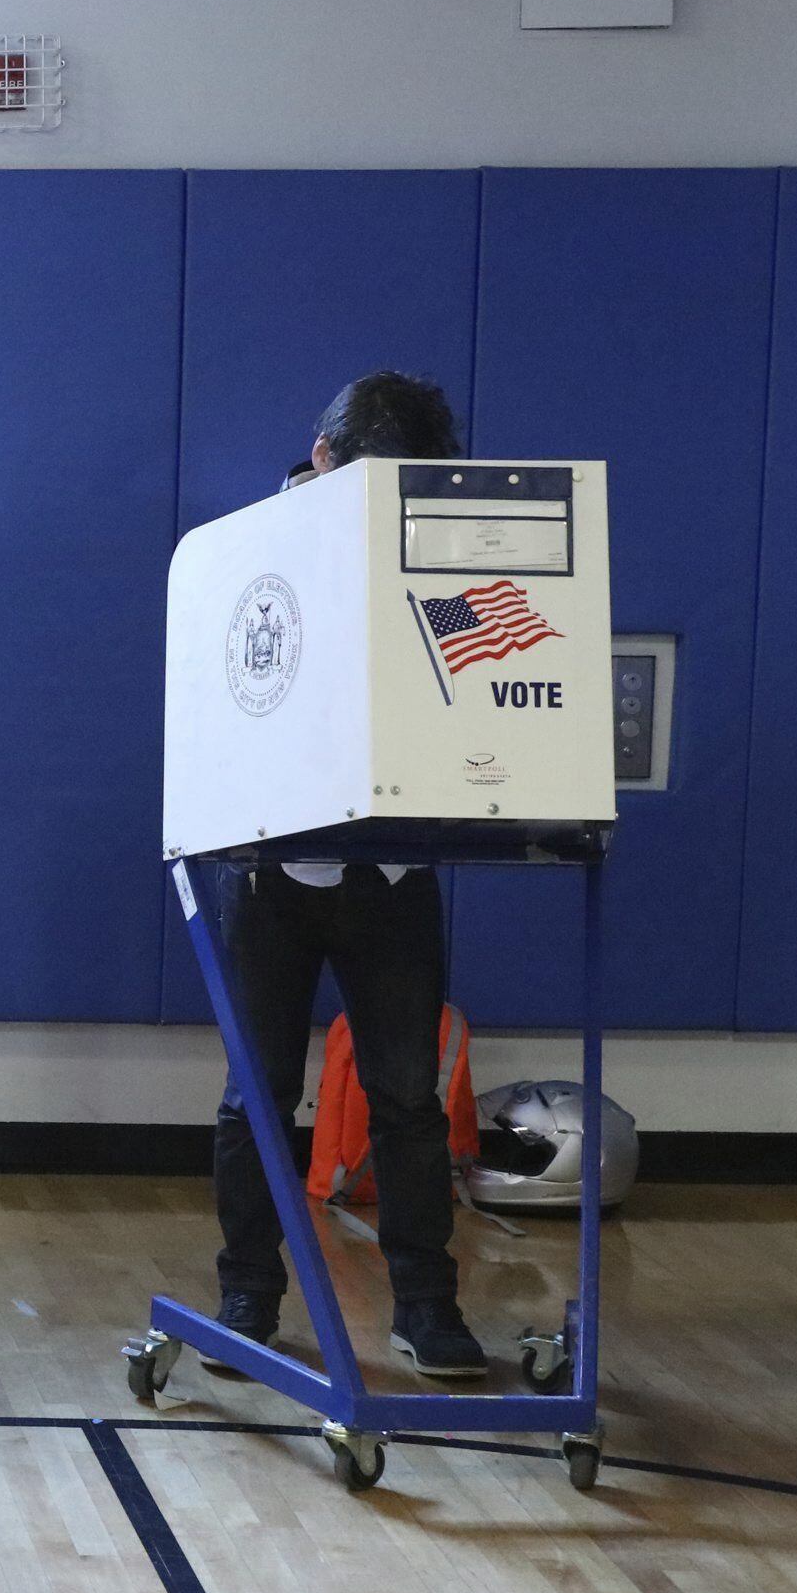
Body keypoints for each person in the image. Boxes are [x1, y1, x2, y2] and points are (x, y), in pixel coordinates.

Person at [206, 369, 487, 1385]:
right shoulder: (249, 552)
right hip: (273, 866)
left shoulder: (438, 549)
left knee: (406, 1096)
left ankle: (426, 1305)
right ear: (323, 459)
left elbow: (470, 674)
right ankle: (247, 1291)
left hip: (393, 871)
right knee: (258, 1094)